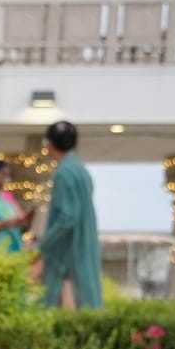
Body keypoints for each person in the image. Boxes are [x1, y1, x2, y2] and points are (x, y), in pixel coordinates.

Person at [36, 120, 100, 309]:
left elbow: (67, 218)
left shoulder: (64, 173)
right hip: (83, 247)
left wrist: (43, 244)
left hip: (67, 254)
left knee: (67, 305)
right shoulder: (81, 170)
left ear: (49, 144)